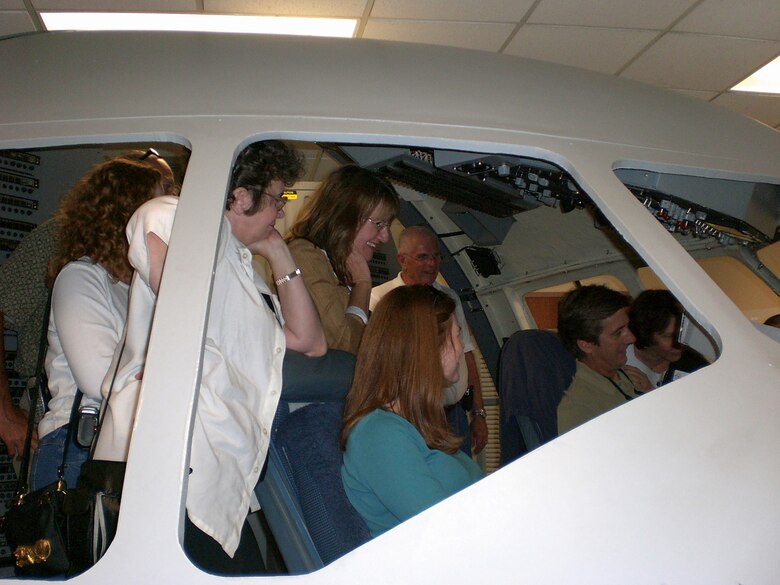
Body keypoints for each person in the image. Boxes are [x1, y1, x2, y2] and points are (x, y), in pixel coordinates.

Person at [93, 140, 326, 574]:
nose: (280, 211)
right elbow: (165, 261)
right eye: (276, 198)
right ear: (238, 196)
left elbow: (310, 342)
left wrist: (278, 252)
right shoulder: (179, 214)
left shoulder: (246, 275)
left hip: (217, 478)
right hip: (176, 466)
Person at [0, 149, 176, 459]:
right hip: (71, 421)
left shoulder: (135, 280)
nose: (172, 198)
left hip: (120, 423)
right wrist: (4, 414)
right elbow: (100, 379)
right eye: (163, 185)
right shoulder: (65, 254)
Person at [29, 159, 165, 490]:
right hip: (77, 447)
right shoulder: (81, 277)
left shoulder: (132, 286)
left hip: (111, 444)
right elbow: (98, 380)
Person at [341, 285, 483, 538]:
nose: (462, 347)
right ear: (430, 348)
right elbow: (444, 530)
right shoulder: (379, 435)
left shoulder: (421, 425)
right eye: (457, 335)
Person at [370, 225, 488, 455]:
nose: (432, 264)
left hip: (452, 415)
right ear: (402, 260)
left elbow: (467, 356)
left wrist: (478, 413)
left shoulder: (449, 296)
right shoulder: (380, 299)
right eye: (423, 257)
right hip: (411, 416)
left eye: (436, 257)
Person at [285, 165, 400, 354]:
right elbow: (343, 344)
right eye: (379, 224)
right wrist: (363, 285)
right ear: (345, 216)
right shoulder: (304, 255)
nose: (385, 237)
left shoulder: (336, 266)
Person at [556, 285, 639, 435]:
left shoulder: (627, 376)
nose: (632, 338)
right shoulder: (578, 410)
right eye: (618, 333)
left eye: (627, 327)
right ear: (586, 345)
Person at [625, 289, 708, 390]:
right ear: (645, 334)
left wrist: (650, 392)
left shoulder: (697, 367)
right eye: (669, 336)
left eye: (682, 333)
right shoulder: (617, 357)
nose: (680, 343)